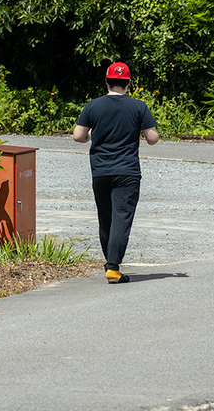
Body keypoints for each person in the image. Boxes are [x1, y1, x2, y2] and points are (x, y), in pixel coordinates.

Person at [73, 61, 159, 284]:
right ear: (128, 83)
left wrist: (92, 135)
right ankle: (113, 267)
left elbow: (78, 136)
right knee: (122, 217)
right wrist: (147, 132)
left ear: (106, 81)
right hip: (127, 172)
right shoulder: (138, 107)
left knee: (106, 219)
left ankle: (110, 263)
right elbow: (152, 138)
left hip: (100, 171)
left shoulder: (93, 106)